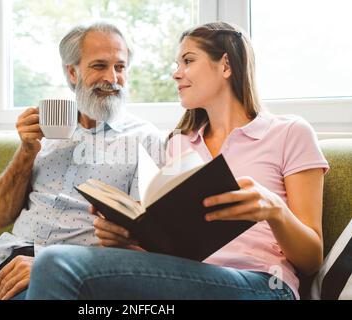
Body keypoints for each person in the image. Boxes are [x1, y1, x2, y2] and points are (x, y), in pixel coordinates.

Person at [26, 22, 329, 300]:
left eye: (188, 61)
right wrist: (124, 238)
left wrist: (275, 211)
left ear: (225, 64)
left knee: (56, 263)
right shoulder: (178, 144)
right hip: (186, 279)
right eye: (177, 64)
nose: (176, 73)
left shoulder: (289, 132)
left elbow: (312, 259)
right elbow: (168, 248)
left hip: (260, 283)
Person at [0, 21, 164, 300]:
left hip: (66, 271)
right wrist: (27, 150)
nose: (112, 77)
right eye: (99, 66)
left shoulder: (145, 139)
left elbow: (142, 244)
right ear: (72, 72)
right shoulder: (48, 128)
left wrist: (50, 264)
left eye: (120, 67)